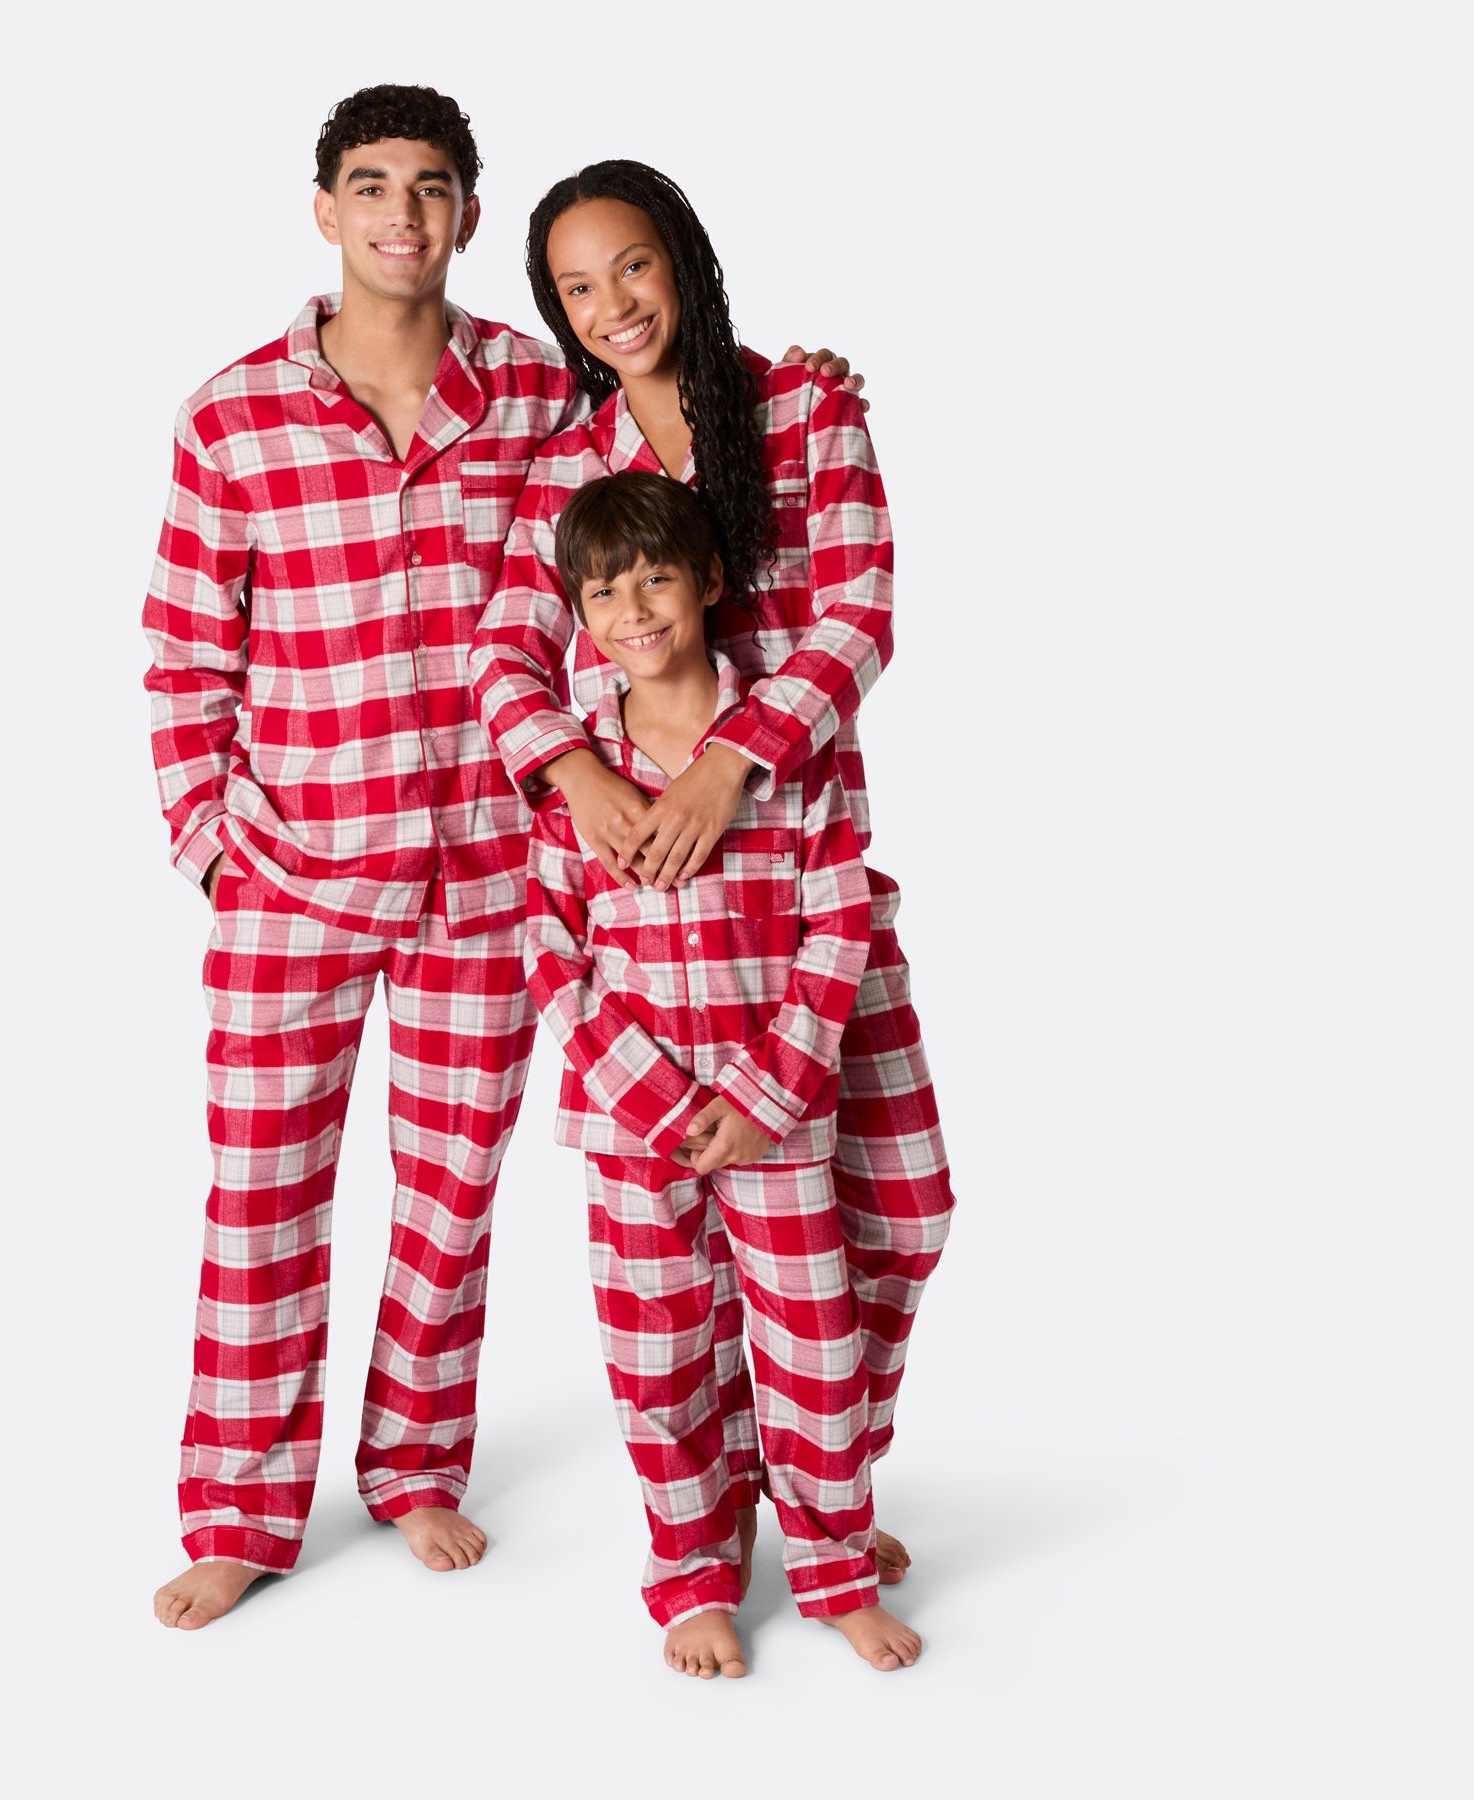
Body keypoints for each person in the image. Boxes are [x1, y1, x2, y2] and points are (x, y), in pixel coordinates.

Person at [143, 88, 860, 1631]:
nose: (401, 214)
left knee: (449, 1193)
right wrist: (213, 851)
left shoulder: (541, 397)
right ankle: (240, 1509)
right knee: (259, 1197)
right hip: (292, 878)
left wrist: (798, 381)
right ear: (325, 210)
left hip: (485, 878)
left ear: (469, 215)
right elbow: (186, 654)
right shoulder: (230, 416)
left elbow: (660, 428)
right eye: (370, 185)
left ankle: (413, 1467)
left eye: (432, 188)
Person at [472, 159, 957, 1598]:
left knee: (903, 1210)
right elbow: (504, 655)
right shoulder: (566, 464)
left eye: (632, 265)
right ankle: (738, 1505)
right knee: (682, 1250)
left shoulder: (804, 407)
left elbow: (862, 613)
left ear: (682, 257)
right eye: (575, 287)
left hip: (801, 878)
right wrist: (581, 774)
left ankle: (818, 1477)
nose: (612, 304)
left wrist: (731, 764)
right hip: (645, 901)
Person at [525, 470, 921, 1677]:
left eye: (656, 580)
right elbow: (554, 954)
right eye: (603, 594)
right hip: (631, 1133)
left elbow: (838, 924)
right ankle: (693, 1575)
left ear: (707, 583)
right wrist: (653, 1102)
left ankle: (834, 1570)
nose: (633, 611)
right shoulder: (577, 770)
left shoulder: (788, 751)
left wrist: (761, 1099)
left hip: (775, 1123)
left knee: (814, 1349)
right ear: (577, 614)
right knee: (661, 1359)